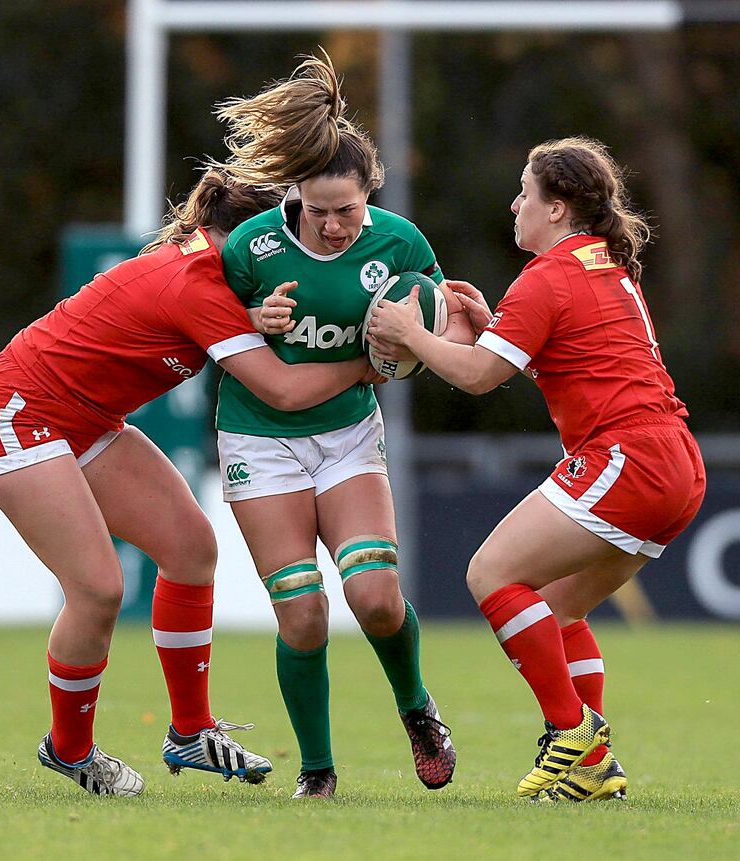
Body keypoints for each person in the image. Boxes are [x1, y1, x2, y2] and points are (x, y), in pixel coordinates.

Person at [0, 170, 383, 797]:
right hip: (18, 414)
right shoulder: (199, 280)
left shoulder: (214, 270)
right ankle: (70, 751)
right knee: (99, 589)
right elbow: (284, 391)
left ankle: (190, 731)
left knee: (190, 549)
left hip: (87, 421)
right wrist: (377, 356)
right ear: (256, 237)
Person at [367, 136, 705, 802]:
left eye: (526, 192)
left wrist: (412, 336)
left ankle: (571, 733)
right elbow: (561, 353)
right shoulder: (604, 263)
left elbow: (477, 374)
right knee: (555, 607)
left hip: (626, 458)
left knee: (490, 573)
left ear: (557, 208)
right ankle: (593, 762)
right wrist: (497, 327)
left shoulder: (548, 277)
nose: (515, 203)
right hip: (672, 461)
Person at [209, 52, 473, 799]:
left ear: (370, 196)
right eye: (318, 210)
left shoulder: (401, 244)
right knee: (302, 611)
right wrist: (255, 321)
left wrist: (442, 332)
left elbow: (440, 323)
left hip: (349, 435)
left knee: (376, 599)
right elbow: (218, 336)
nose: (333, 225)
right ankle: (318, 772)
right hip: (260, 438)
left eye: (348, 210)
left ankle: (417, 709)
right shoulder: (251, 248)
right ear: (292, 194)